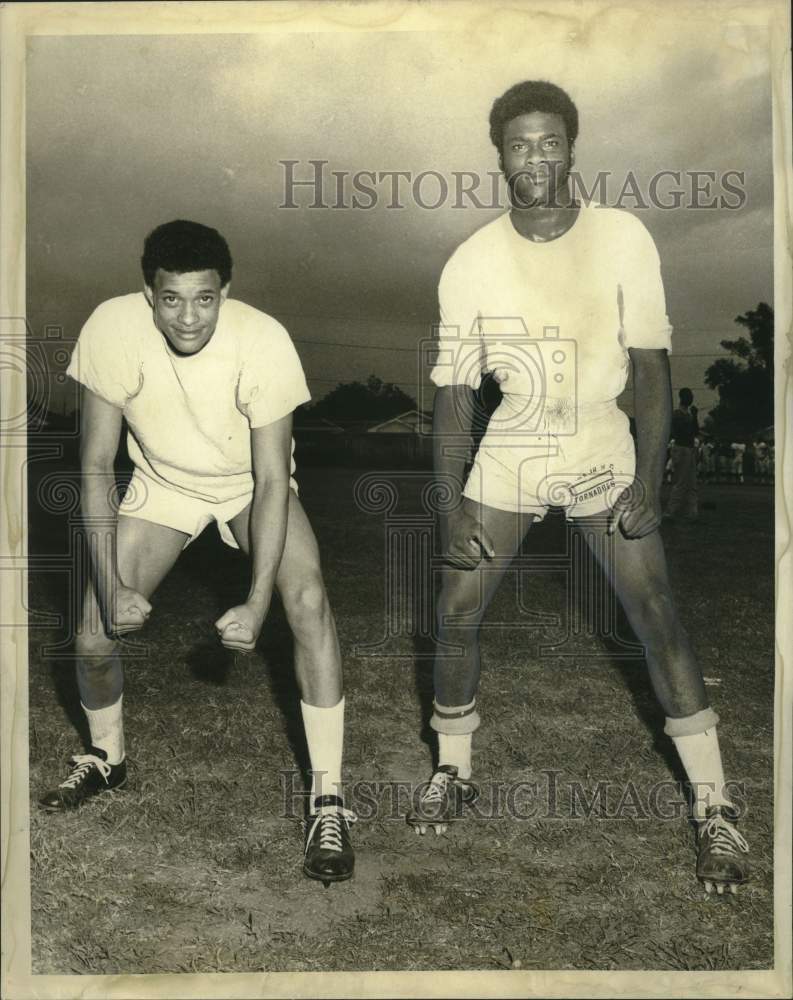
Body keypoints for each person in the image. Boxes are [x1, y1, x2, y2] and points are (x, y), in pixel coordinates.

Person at [409, 80, 750, 895]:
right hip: (515, 436)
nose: (534, 156)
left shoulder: (623, 236)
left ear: (571, 147)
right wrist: (449, 504)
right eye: (518, 144)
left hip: (598, 433)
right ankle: (451, 768)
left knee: (654, 609)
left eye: (548, 141)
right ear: (499, 155)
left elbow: (651, 368)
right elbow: (455, 394)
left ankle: (714, 806)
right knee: (455, 609)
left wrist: (650, 472)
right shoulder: (471, 259)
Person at [40, 220, 355, 886]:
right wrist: (112, 585)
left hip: (246, 487)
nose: (188, 316)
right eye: (172, 298)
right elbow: (95, 466)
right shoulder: (111, 327)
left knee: (308, 601)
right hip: (161, 483)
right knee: (92, 636)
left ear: (226, 291)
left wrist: (256, 598)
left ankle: (329, 800)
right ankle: (107, 758)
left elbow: (272, 480)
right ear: (147, 292)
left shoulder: (263, 340)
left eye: (204, 298)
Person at [664, 388, 699, 522]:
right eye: (689, 396)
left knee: (692, 482)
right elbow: (684, 431)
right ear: (682, 398)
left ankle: (692, 512)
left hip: (689, 449)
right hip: (681, 448)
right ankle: (670, 511)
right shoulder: (677, 414)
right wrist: (692, 417)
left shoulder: (689, 415)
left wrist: (694, 416)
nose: (691, 399)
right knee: (681, 482)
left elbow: (695, 431)